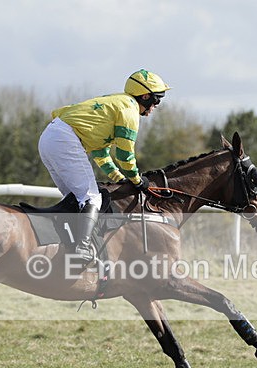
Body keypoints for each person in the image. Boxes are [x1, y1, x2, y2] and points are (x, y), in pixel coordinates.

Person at [38, 69, 171, 264]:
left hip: (50, 138)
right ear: (145, 96)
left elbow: (101, 153)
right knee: (91, 197)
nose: (154, 107)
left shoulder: (117, 102)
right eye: (156, 101)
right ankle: (82, 249)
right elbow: (125, 155)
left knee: (75, 200)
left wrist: (118, 178)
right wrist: (137, 180)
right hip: (64, 140)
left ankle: (70, 245)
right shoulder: (129, 110)